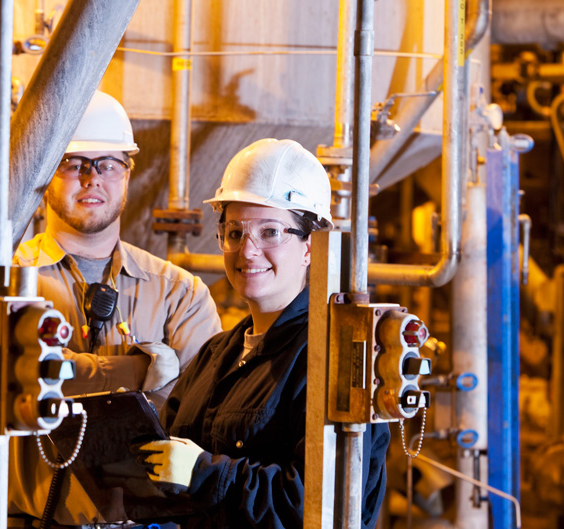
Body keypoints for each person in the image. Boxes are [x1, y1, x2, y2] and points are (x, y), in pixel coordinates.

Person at [128, 139, 390, 528]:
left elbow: (321, 508)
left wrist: (202, 473)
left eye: (270, 232)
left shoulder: (333, 359)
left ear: (310, 247)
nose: (247, 251)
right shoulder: (215, 355)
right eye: (235, 233)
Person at [8, 90, 222, 528]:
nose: (92, 179)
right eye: (74, 164)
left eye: (108, 164)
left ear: (127, 174)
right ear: (47, 172)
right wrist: (140, 370)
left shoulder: (180, 292)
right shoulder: (7, 281)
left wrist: (69, 370)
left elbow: (198, 415)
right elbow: (13, 385)